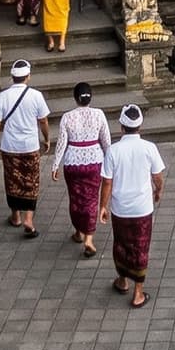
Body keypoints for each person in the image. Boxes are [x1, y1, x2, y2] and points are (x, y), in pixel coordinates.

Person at [100, 104, 166, 308]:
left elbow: (107, 182)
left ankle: (122, 280)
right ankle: (138, 292)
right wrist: (158, 191)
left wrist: (103, 206)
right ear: (140, 126)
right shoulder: (149, 148)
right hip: (142, 208)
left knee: (121, 244)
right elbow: (157, 176)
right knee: (140, 247)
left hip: (120, 208)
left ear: (121, 127)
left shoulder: (113, 151)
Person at [0, 59, 50, 235]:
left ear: (12, 77)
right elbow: (43, 120)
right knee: (31, 181)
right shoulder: (36, 96)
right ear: (28, 76)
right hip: (30, 145)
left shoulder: (2, 97)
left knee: (12, 181)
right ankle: (29, 218)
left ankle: (15, 216)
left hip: (10, 146)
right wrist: (46, 138)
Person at [53, 82, 112, 256]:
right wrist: (111, 162)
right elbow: (106, 141)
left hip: (72, 162)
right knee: (91, 199)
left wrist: (55, 164)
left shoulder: (67, 117)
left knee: (76, 199)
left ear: (75, 98)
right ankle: (89, 238)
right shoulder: (99, 114)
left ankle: (79, 231)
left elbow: (62, 143)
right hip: (94, 161)